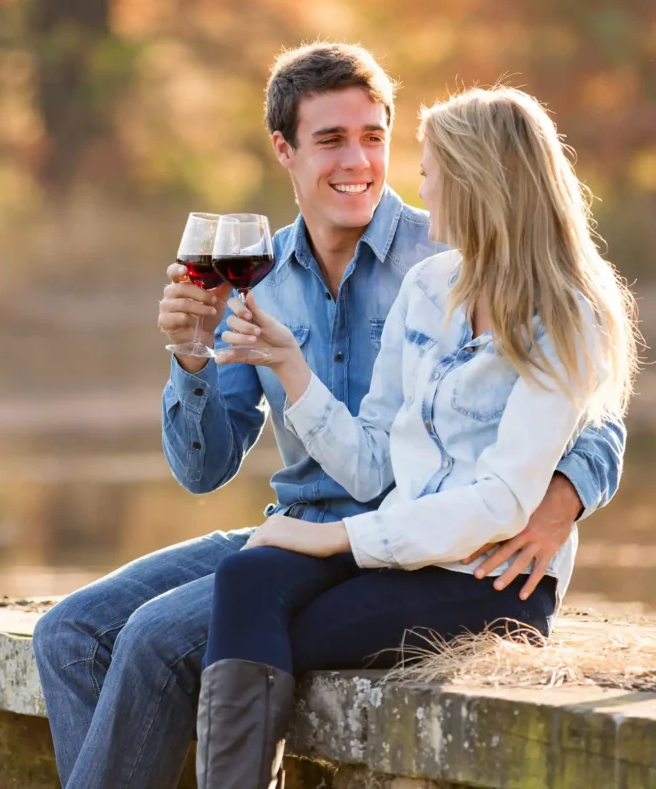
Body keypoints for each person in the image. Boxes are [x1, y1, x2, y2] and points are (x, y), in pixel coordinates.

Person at [32, 44, 626, 789]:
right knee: (70, 634)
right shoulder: (255, 272)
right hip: (301, 524)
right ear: (284, 149)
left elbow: (595, 411)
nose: (362, 162)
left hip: (424, 543)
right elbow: (205, 470)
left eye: (374, 137)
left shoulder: (454, 249)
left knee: (158, 639)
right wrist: (191, 359)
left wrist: (563, 498)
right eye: (332, 139)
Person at [198, 84, 639, 786]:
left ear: (477, 181)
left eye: (431, 171)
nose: (421, 188)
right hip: (403, 551)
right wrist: (290, 366)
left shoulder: (567, 318)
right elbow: (372, 465)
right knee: (248, 576)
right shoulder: (431, 286)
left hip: (490, 579)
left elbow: (502, 501)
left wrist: (333, 538)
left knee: (274, 631)